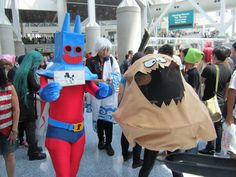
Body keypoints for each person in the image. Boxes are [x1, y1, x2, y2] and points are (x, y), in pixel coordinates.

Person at [37, 13, 113, 177]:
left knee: (73, 173)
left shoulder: (82, 74)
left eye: (77, 49)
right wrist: (46, 93)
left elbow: (95, 91)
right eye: (68, 48)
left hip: (79, 133)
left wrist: (104, 90)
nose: (72, 52)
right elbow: (42, 92)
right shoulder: (49, 73)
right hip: (58, 132)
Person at [86, 37, 121, 156]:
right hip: (96, 93)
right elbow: (88, 78)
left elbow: (117, 75)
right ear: (98, 49)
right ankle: (101, 139)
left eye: (107, 49)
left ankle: (109, 143)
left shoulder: (111, 60)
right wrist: (101, 81)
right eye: (103, 49)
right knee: (99, 119)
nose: (105, 51)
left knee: (108, 120)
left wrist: (111, 80)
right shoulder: (91, 61)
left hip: (109, 94)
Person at [13, 51, 47, 160]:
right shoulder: (29, 73)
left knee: (26, 126)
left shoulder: (19, 71)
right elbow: (37, 88)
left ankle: (33, 147)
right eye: (38, 62)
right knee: (30, 127)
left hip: (21, 101)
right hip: (27, 103)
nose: (38, 65)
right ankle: (33, 152)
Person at [199, 47, 231, 155]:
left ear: (215, 56)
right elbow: (227, 87)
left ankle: (210, 147)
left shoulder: (209, 68)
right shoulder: (228, 70)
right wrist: (224, 99)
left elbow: (201, 81)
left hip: (209, 100)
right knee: (218, 125)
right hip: (221, 101)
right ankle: (217, 147)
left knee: (209, 124)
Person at [119, 52, 144, 168]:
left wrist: (119, 106)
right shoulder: (144, 74)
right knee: (137, 134)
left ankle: (124, 155)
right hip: (139, 108)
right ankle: (136, 161)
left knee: (125, 132)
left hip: (126, 107)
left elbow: (120, 92)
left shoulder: (126, 74)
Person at [0, 64, 20, 177]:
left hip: (7, 129)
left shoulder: (9, 87)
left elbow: (16, 109)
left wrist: (14, 130)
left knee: (9, 155)